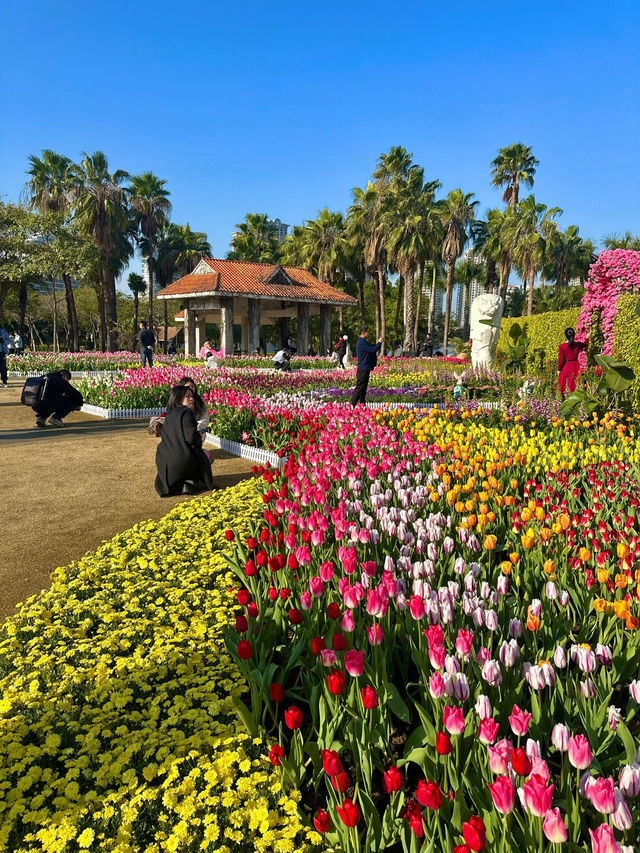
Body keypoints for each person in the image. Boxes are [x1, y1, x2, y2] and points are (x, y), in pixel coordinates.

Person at [154, 385, 214, 497]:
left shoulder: (169, 414)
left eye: (192, 396)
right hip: (182, 462)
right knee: (205, 456)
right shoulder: (186, 413)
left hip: (164, 462)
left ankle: (182, 482)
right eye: (187, 396)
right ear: (178, 398)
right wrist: (199, 441)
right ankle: (189, 481)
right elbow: (191, 437)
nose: (192, 398)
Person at [351, 327, 382, 406]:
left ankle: (362, 404)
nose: (368, 333)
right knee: (360, 387)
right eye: (366, 332)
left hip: (365, 367)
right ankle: (353, 404)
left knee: (363, 388)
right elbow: (373, 350)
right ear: (363, 333)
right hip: (363, 368)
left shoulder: (363, 342)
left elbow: (371, 349)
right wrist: (379, 343)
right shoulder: (361, 342)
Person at [558, 327, 588, 397]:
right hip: (575, 366)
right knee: (575, 383)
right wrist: (587, 337)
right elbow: (585, 344)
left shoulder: (562, 347)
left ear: (565, 336)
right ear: (574, 335)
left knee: (565, 384)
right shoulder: (577, 345)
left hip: (566, 366)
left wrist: (559, 369)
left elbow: (561, 360)